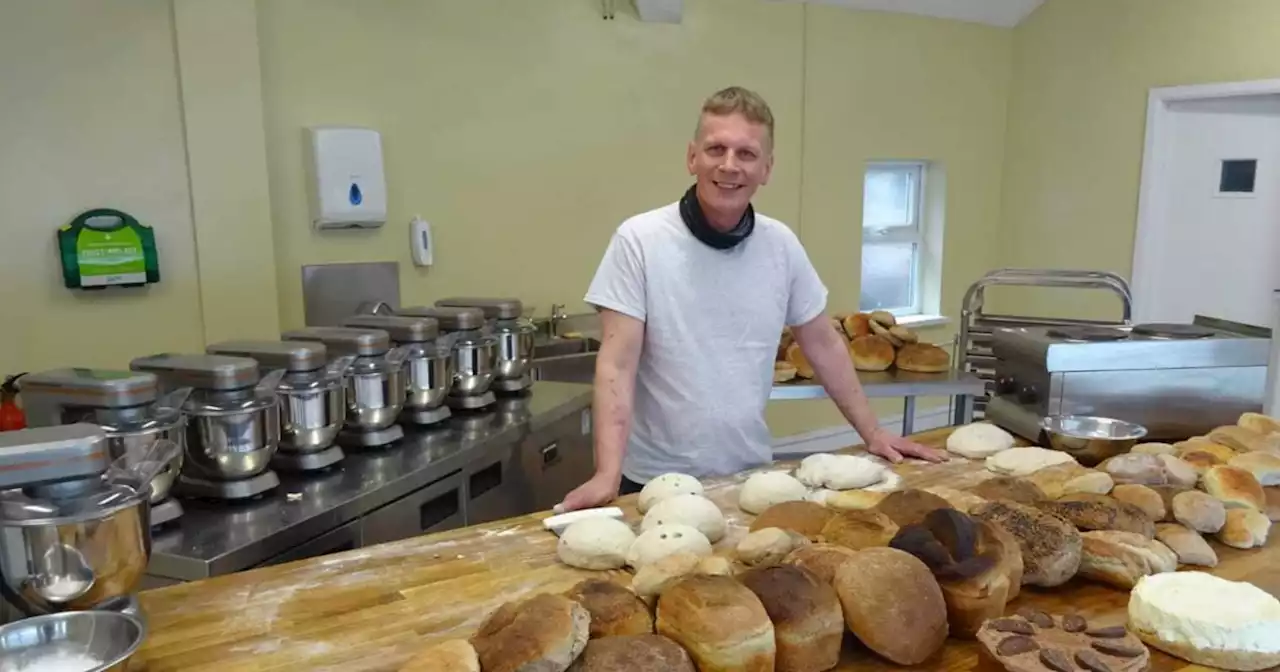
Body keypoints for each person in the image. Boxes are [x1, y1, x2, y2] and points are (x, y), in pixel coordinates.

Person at [559, 86, 944, 511]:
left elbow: (823, 343)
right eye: (715, 149)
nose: (729, 165)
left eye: (746, 154)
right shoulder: (640, 240)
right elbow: (617, 362)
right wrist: (606, 474)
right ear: (692, 157)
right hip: (653, 481)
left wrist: (873, 432)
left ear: (766, 168)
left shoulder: (780, 245)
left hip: (749, 477)